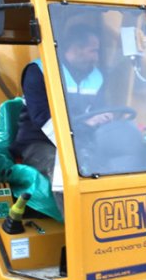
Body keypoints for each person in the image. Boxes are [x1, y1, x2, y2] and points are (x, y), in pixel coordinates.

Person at [12, 22, 113, 179]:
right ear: (76, 48)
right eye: (93, 51)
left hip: (80, 140)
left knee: (114, 166)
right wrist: (84, 125)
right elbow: (42, 119)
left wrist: (105, 117)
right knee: (64, 173)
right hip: (40, 142)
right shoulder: (39, 71)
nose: (97, 57)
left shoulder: (97, 76)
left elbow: (99, 109)